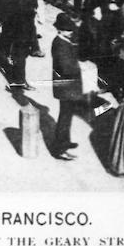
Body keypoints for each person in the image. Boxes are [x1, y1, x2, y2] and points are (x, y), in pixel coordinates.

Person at [0, 0, 39, 92]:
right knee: (20, 53)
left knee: (7, 44)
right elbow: (33, 5)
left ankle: (4, 63)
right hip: (22, 24)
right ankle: (19, 81)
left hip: (9, 21)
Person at [49, 12, 85, 159]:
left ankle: (65, 141)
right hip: (66, 88)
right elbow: (65, 68)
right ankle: (60, 149)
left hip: (67, 87)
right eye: (68, 30)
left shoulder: (63, 41)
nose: (71, 32)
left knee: (67, 115)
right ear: (60, 30)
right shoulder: (60, 44)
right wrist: (80, 68)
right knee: (65, 116)